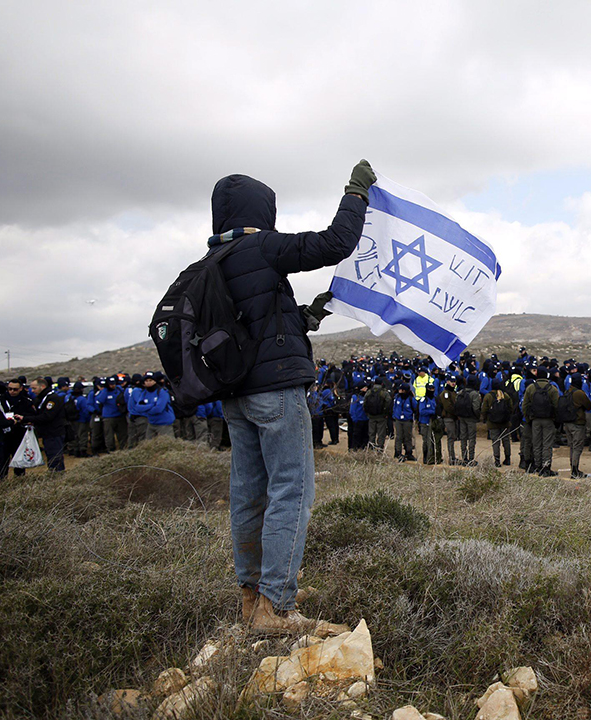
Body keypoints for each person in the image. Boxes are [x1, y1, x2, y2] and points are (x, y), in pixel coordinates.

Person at [209, 162, 372, 634]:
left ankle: (250, 598)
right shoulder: (260, 246)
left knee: (248, 493)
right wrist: (356, 193)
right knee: (291, 491)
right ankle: (276, 608)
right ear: (262, 209)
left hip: (236, 398)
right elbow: (335, 242)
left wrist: (301, 317)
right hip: (275, 392)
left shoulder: (211, 263)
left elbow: (250, 327)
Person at [521, 367, 560, 476]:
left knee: (536, 443)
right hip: (548, 420)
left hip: (535, 420)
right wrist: (556, 420)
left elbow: (525, 406)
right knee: (547, 444)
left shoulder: (530, 388)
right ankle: (546, 467)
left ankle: (537, 466)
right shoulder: (552, 389)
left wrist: (529, 419)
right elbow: (557, 406)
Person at [559, 375, 591, 478]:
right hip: (577, 423)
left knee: (572, 446)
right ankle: (575, 470)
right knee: (577, 447)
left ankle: (573, 467)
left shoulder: (567, 392)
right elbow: (589, 405)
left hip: (567, 423)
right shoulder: (579, 393)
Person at [129, 373, 175, 443]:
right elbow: (138, 407)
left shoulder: (162, 392)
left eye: (150, 380)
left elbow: (159, 409)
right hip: (152, 423)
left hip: (164, 423)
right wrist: (152, 405)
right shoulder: (144, 393)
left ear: (155, 381)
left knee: (167, 444)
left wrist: (146, 409)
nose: (148, 382)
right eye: (146, 381)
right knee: (149, 444)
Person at [481, 383, 513, 467]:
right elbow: (511, 407)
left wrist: (485, 419)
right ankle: (507, 458)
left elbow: (484, 409)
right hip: (505, 422)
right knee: (506, 441)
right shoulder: (505, 395)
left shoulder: (488, 396)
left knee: (495, 442)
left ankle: (497, 460)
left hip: (492, 423)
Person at [454, 375, 482, 465]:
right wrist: (477, 417)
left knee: (463, 438)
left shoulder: (461, 392)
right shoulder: (474, 394)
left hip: (462, 417)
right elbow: (476, 408)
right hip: (471, 418)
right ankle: (471, 458)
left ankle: (464, 458)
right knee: (471, 438)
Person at [391, 383, 418, 462]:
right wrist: (394, 416)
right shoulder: (397, 397)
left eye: (401, 390)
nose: (399, 391)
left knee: (408, 437)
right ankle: (398, 453)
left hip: (407, 420)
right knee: (399, 437)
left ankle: (408, 453)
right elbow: (394, 407)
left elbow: (415, 408)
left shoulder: (411, 399)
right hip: (398, 420)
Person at [437, 376, 460, 465]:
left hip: (453, 417)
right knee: (451, 437)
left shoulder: (453, 392)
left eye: (454, 381)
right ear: (447, 382)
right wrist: (457, 413)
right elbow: (448, 407)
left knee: (453, 437)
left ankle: (453, 456)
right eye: (451, 381)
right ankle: (451, 457)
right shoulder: (445, 393)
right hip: (449, 417)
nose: (453, 383)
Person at [417, 386, 439, 464]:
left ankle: (432, 457)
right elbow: (421, 411)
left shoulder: (435, 399)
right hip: (424, 422)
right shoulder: (424, 400)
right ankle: (425, 458)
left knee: (432, 441)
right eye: (430, 389)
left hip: (433, 422)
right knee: (426, 441)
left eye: (433, 389)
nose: (431, 391)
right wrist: (432, 412)